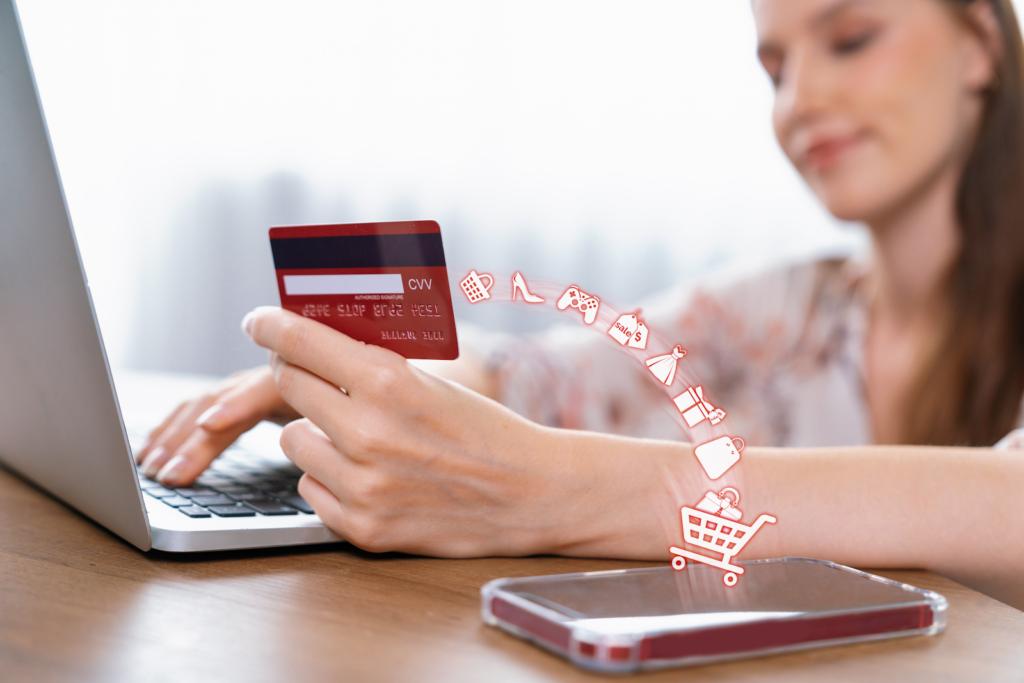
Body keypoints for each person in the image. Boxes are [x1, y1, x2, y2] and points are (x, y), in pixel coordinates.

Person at [135, 0, 1024, 609]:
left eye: (853, 37)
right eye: (776, 66)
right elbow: (547, 378)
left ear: (981, 41)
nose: (801, 101)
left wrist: (555, 491)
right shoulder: (784, 308)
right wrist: (385, 374)